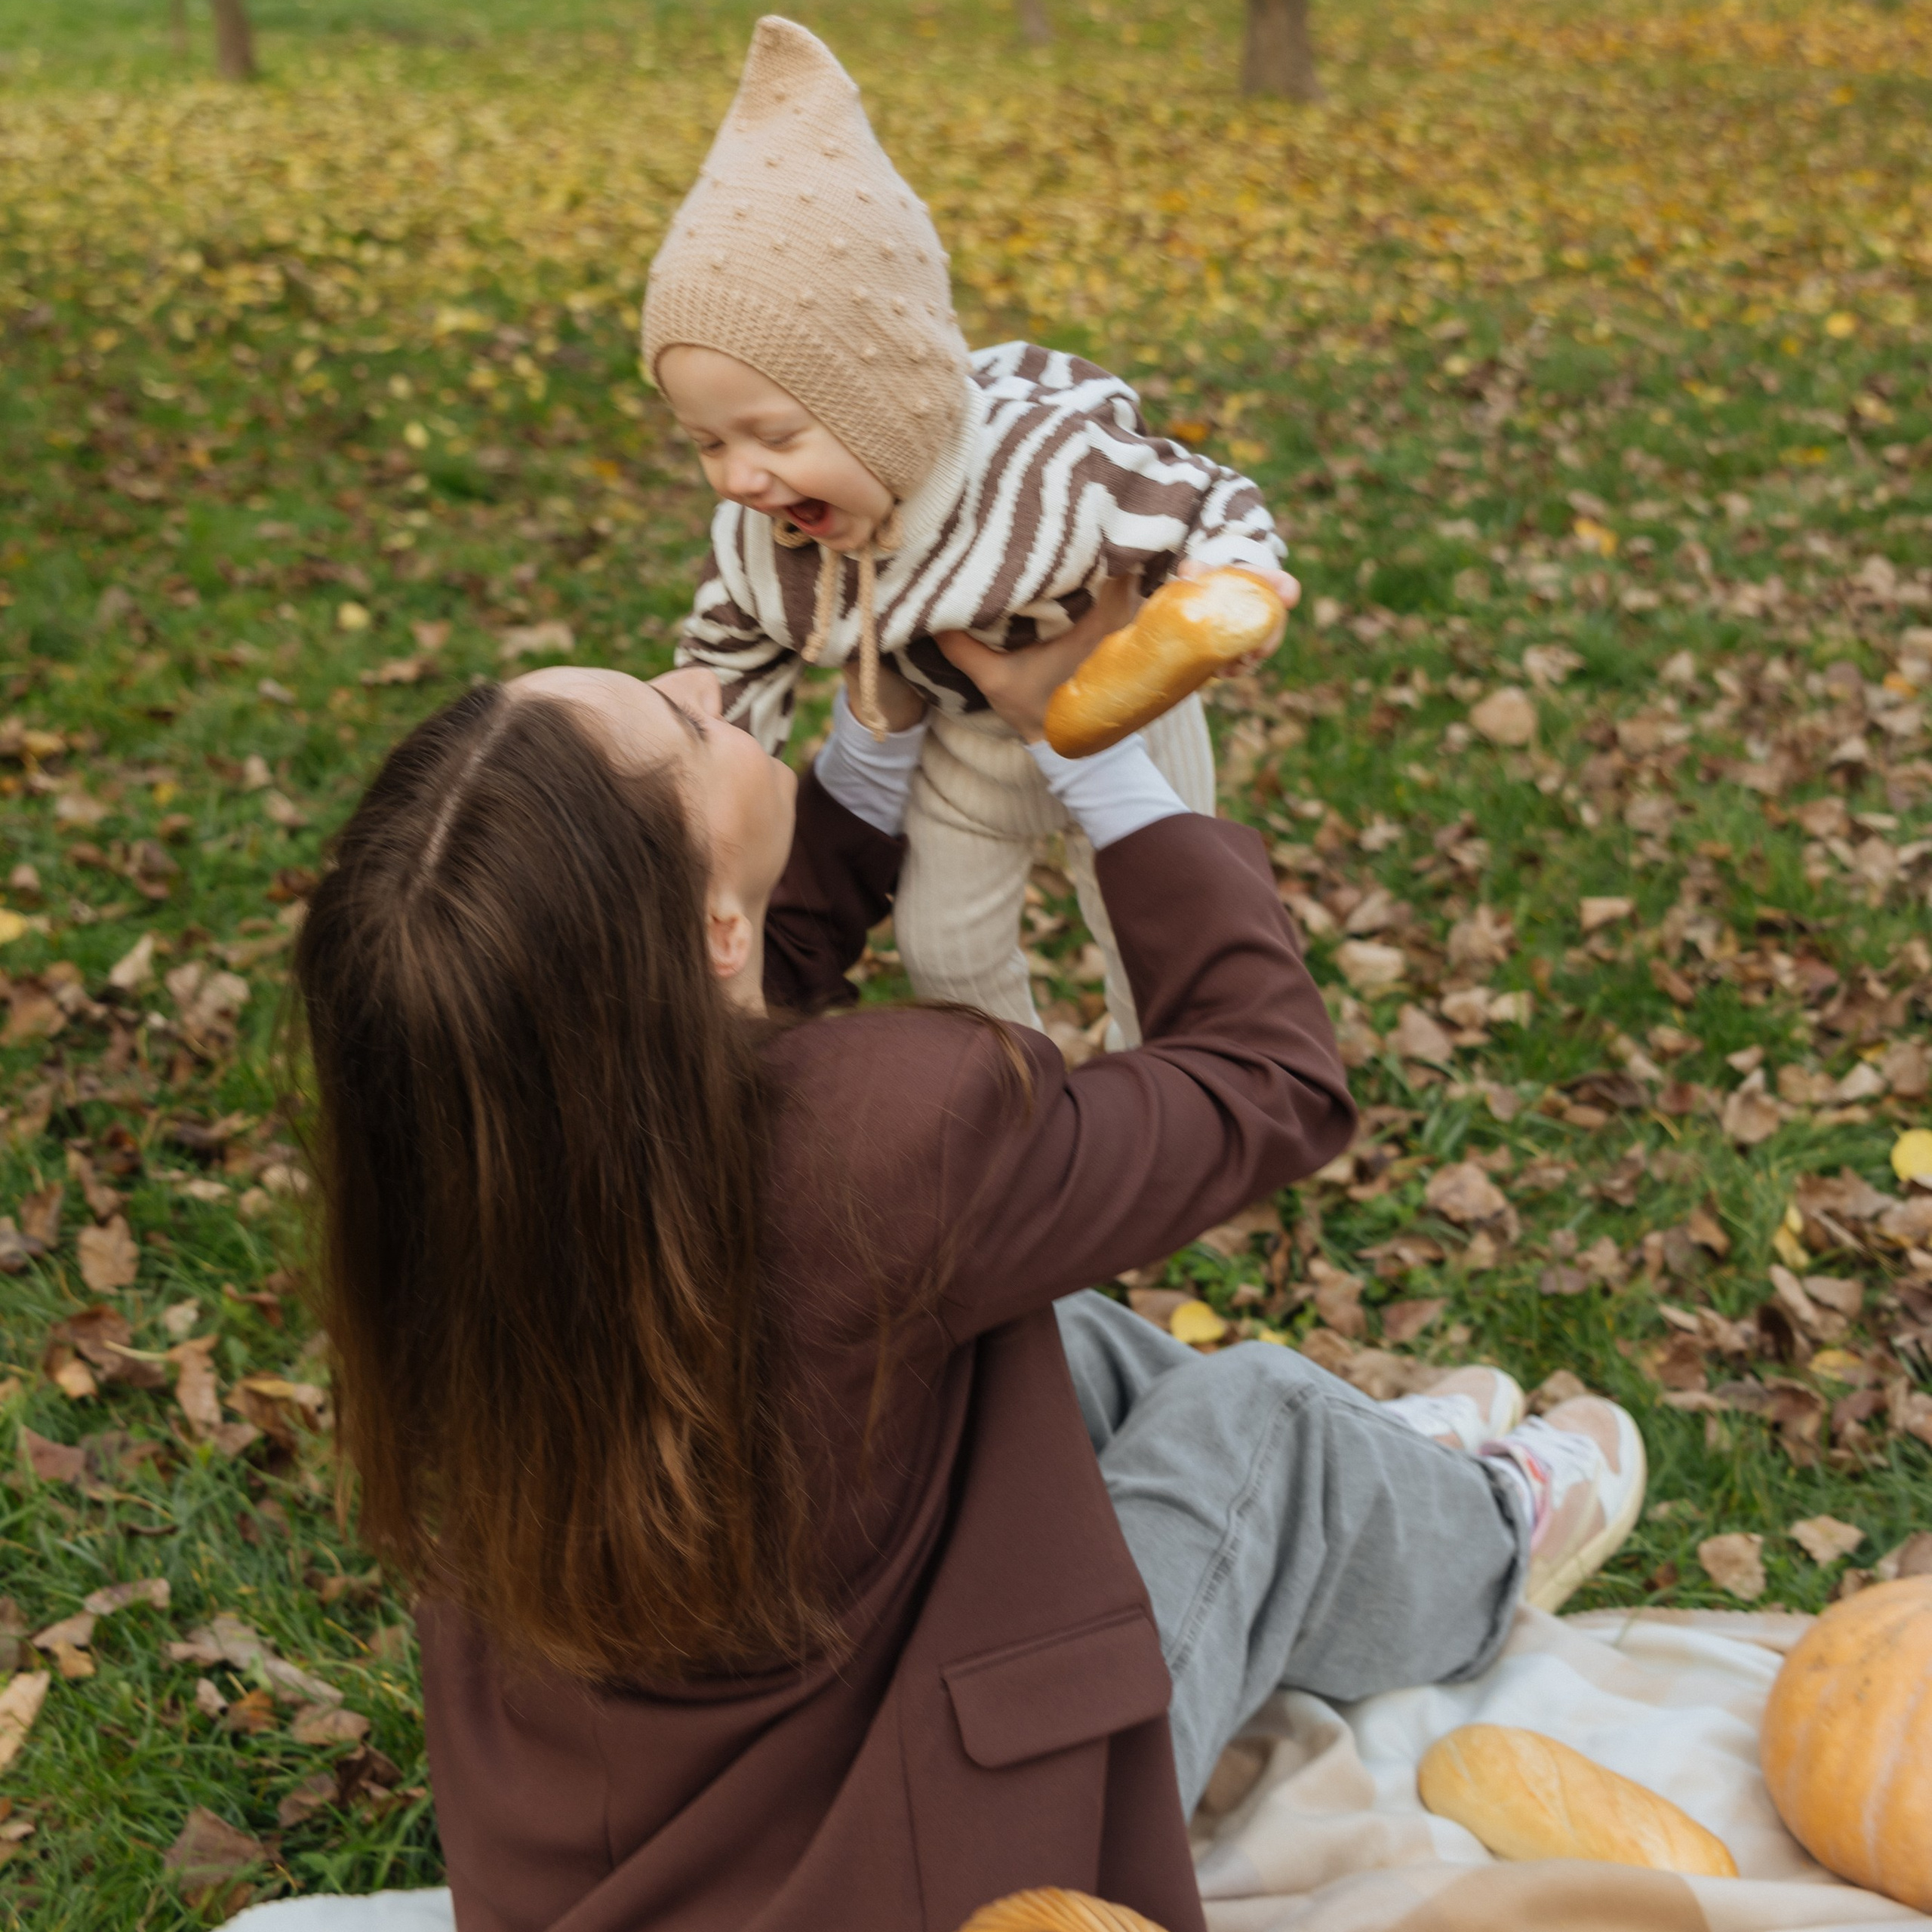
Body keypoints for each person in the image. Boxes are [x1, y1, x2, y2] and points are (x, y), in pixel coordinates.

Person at [288, 605, 1646, 1932]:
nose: (699, 687)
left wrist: (873, 755)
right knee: (1264, 1423)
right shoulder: (892, 1147)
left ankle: (1383, 1477)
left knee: (1057, 1339)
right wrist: (1100, 756)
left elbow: (684, 1005)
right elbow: (1268, 1083)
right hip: (945, 1879)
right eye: (681, 725)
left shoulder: (459, 1166)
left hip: (625, 1854)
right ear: (703, 928)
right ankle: (1479, 1534)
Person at [646, 15, 1300, 1046]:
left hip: (1126, 719)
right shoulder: (770, 542)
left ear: (891, 403)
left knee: (1146, 942)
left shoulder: (1046, 466)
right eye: (705, 443)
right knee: (944, 951)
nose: (741, 477)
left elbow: (1200, 494)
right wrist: (691, 739)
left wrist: (1234, 581)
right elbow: (730, 657)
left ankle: (1149, 1078)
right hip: (959, 746)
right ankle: (1027, 1108)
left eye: (773, 435)